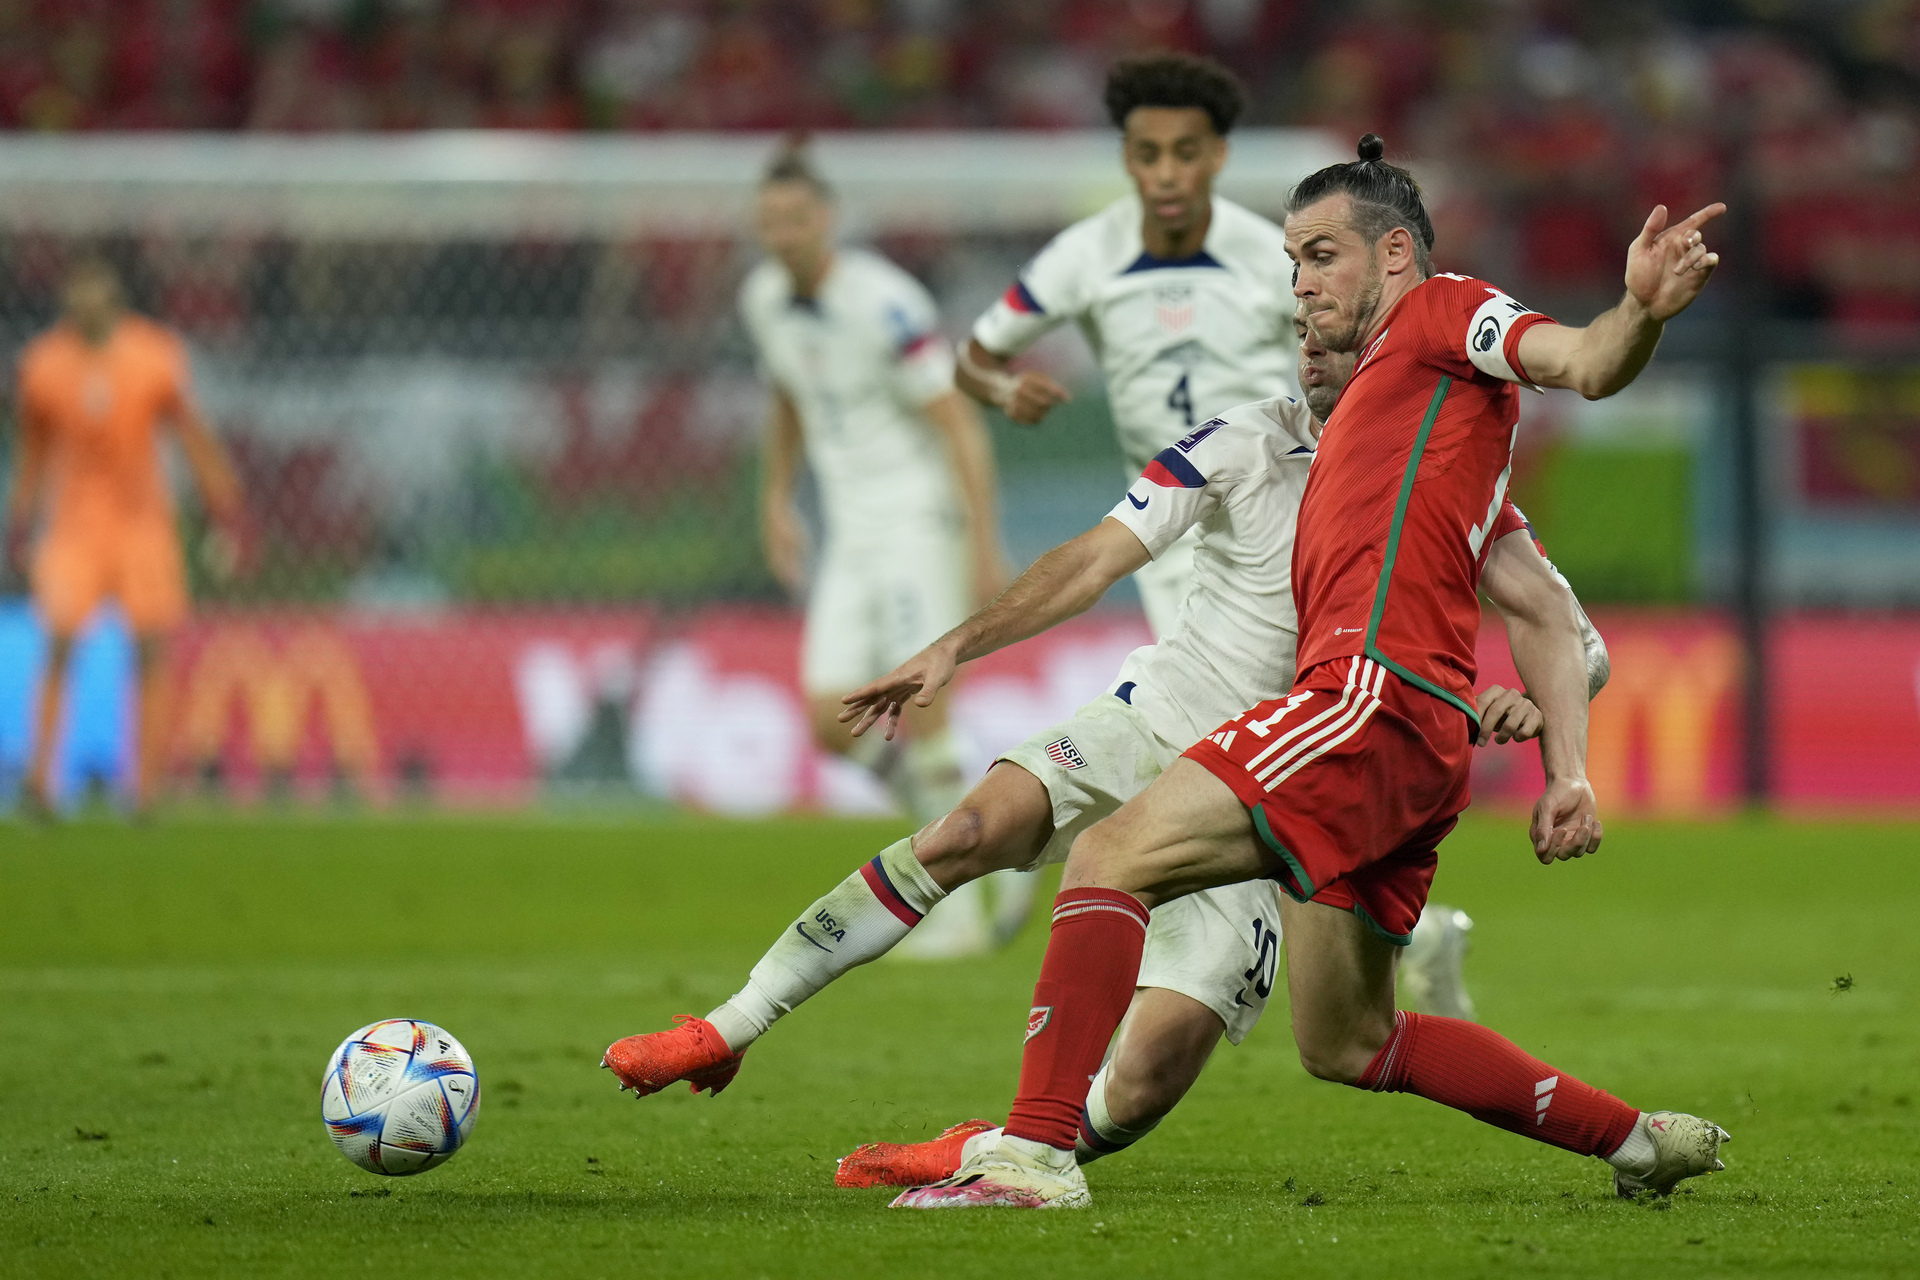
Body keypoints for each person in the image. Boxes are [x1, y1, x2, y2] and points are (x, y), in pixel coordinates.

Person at [893, 137, 1732, 1211]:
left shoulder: (1443, 314)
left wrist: (1639, 313)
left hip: (1364, 700)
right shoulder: (1412, 440)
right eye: (1292, 262)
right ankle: (1638, 1141)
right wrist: (1568, 771)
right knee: (1350, 1039)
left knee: (1108, 854)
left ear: (1395, 256)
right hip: (1419, 746)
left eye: (1322, 255)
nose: (1300, 283)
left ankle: (1033, 1159)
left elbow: (1583, 361)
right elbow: (1540, 610)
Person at [600, 319, 1600, 1176]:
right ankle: (727, 1026)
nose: (1312, 354)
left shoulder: (1448, 491)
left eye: (1337, 341)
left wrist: (1533, 705)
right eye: (1303, 336)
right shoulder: (1244, 440)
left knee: (1145, 1080)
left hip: (1273, 788)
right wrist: (954, 645)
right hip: (1157, 719)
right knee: (965, 830)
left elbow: (1576, 642)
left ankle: (1000, 1146)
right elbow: (1092, 558)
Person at [741, 143, 1012, 955]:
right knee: (830, 719)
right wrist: (776, 499)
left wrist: (984, 542)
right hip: (850, 531)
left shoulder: (886, 303)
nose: (784, 234)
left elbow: (957, 420)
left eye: (797, 218)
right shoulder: (763, 300)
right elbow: (789, 394)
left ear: (827, 219)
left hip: (917, 519)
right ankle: (987, 833)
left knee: (923, 707)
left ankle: (959, 913)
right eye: (770, 221)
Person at [955, 52, 1298, 640]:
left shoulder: (1272, 256)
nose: (1166, 174)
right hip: (1164, 523)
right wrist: (1003, 389)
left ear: (1217, 155)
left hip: (1274, 509)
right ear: (1127, 159)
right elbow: (973, 359)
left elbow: (1355, 352)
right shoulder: (1083, 254)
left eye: (1185, 153)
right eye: (1148, 154)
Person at [5, 256, 246, 819]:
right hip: (74, 526)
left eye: (95, 292)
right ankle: (41, 783)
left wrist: (223, 507)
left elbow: (191, 435)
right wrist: (19, 521)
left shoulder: (155, 356)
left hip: (143, 523)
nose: (85, 303)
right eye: (77, 293)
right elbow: (33, 452)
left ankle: (147, 791)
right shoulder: (42, 365)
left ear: (114, 298)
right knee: (60, 641)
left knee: (151, 647)